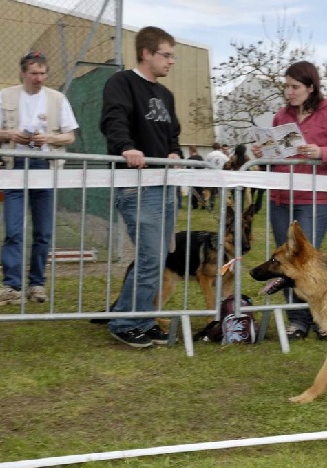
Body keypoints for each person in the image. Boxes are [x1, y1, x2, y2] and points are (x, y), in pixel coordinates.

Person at [251, 60, 327, 340]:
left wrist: (321, 152)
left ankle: (323, 319)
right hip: (280, 198)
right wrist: (262, 152)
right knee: (286, 264)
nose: (289, 92)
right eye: (286, 86)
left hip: (313, 199)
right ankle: (297, 321)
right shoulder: (280, 117)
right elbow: (276, 155)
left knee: (307, 263)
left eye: (295, 87)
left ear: (311, 87)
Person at [100, 26, 182, 348]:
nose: (171, 62)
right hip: (137, 186)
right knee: (150, 256)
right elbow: (113, 119)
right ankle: (123, 321)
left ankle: (141, 319)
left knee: (157, 258)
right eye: (166, 55)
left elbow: (172, 134)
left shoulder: (166, 95)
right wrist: (125, 146)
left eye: (173, 56)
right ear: (146, 53)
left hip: (165, 186)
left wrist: (174, 153)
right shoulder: (121, 83)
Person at [0, 51, 79, 306]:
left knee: (43, 232)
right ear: (23, 73)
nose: (39, 78)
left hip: (44, 166)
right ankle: (11, 286)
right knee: (13, 230)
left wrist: (48, 138)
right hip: (15, 165)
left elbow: (69, 136)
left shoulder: (57, 99)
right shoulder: (6, 95)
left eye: (43, 73)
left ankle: (37, 284)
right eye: (34, 73)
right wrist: (11, 134)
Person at [203, 142, 228, 210]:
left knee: (210, 190)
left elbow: (205, 164)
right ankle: (222, 204)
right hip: (220, 175)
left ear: (213, 148)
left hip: (211, 174)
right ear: (219, 148)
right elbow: (227, 163)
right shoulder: (223, 156)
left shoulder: (209, 155)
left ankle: (209, 202)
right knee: (219, 190)